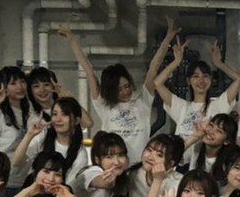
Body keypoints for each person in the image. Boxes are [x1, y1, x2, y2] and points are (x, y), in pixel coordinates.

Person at [62, 21, 165, 150]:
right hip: (112, 161)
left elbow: (154, 67)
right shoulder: (104, 105)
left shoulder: (143, 100)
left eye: (127, 86)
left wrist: (168, 38)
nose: (125, 92)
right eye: (119, 90)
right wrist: (72, 41)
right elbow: (88, 70)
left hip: (140, 162)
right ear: (111, 91)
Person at [153, 37, 240, 139]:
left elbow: (239, 79)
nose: (201, 80)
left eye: (205, 76)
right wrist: (176, 61)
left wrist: (219, 64)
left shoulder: (218, 105)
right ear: (189, 81)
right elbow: (157, 83)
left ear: (210, 80)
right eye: (196, 76)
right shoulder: (181, 107)